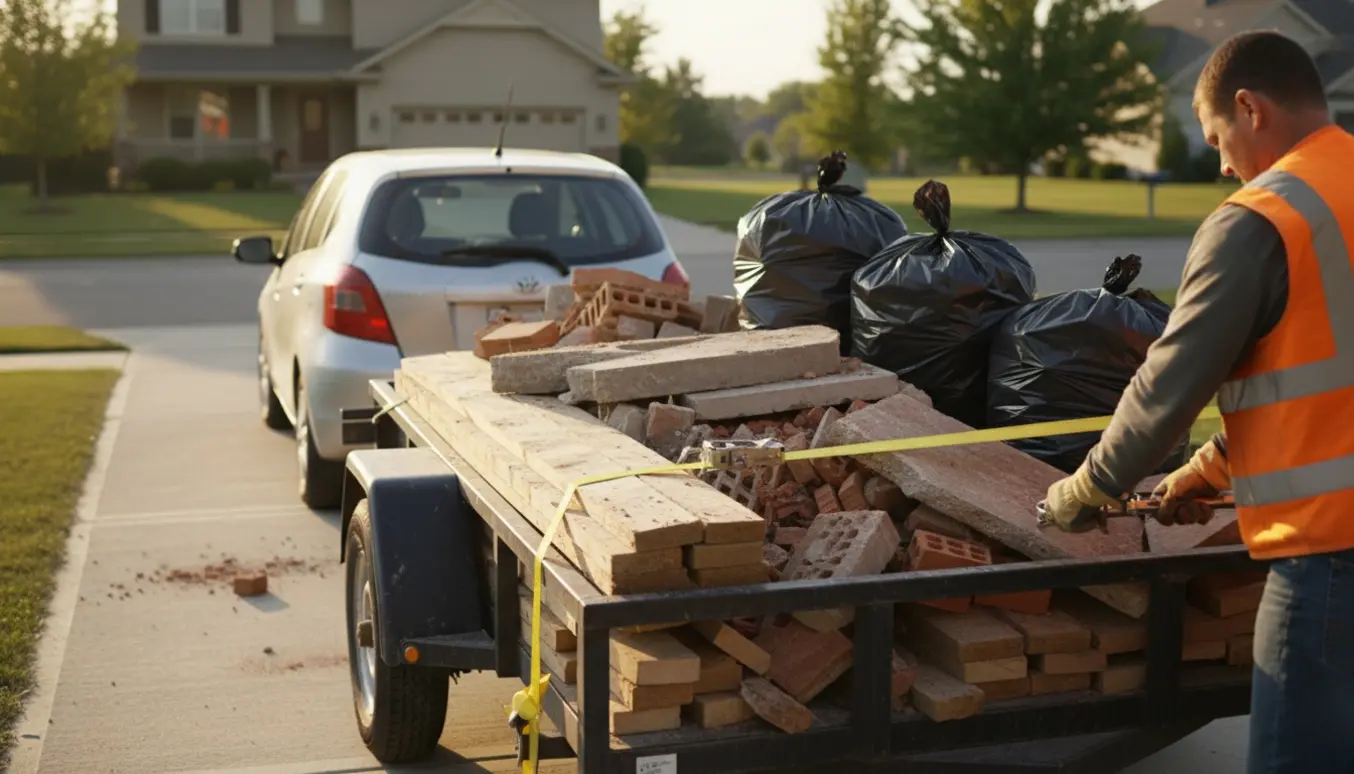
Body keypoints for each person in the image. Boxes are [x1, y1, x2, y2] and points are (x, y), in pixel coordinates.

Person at [1040, 30, 1354, 773]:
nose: (1219, 162)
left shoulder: (1262, 217)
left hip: (1331, 564)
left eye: (1217, 138)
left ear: (1249, 108)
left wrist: (1088, 488)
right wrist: (1210, 472)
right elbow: (1323, 377)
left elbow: (1167, 388)